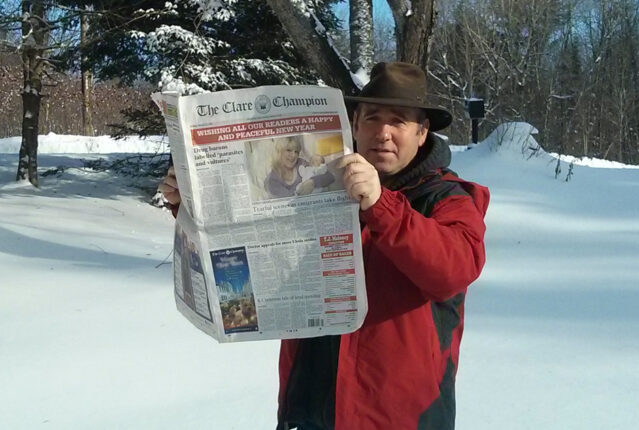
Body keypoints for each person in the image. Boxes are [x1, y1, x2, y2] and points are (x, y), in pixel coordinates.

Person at [158, 62, 489, 430]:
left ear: (422, 132)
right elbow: (260, 247)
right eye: (372, 118)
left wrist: (383, 207)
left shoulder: (448, 198)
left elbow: (453, 270)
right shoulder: (322, 183)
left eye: (398, 121)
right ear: (355, 124)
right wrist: (189, 205)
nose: (383, 132)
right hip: (310, 403)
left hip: (401, 415)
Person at [264, 137, 334, 198]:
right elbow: (290, 201)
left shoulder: (301, 163)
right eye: (289, 150)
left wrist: (312, 182)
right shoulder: (272, 180)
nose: (293, 155)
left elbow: (330, 177)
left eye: (296, 152)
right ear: (279, 152)